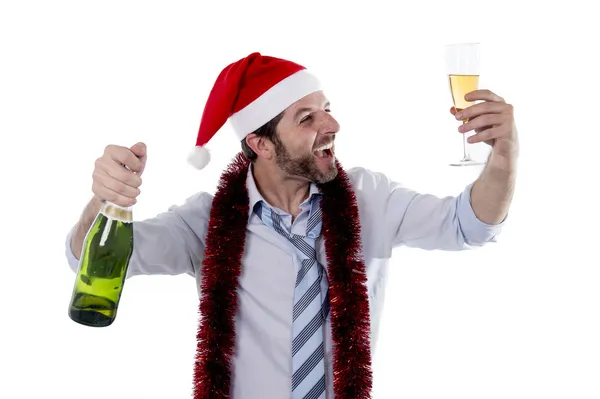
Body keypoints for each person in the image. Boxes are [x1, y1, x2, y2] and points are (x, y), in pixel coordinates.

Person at [64, 52, 518, 399]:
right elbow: (88, 256)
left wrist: (505, 155)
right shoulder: (203, 222)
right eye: (308, 118)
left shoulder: (369, 198)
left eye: (327, 108)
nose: (333, 124)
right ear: (260, 144)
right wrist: (105, 198)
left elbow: (469, 225)